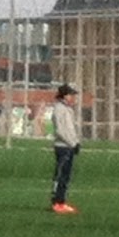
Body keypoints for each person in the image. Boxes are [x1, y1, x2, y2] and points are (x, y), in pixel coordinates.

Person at [49, 83, 81, 214]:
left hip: (68, 146)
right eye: (71, 94)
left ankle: (61, 201)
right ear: (65, 95)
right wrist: (73, 143)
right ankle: (58, 202)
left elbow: (70, 129)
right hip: (63, 146)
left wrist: (76, 142)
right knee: (61, 175)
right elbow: (61, 130)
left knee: (66, 175)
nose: (73, 97)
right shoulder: (59, 109)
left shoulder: (67, 109)